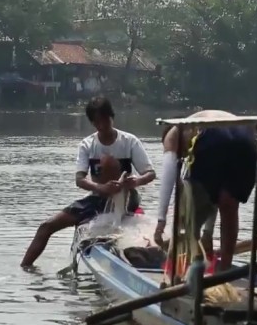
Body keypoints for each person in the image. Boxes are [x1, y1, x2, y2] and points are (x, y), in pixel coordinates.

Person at [20, 97, 156, 268]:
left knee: (109, 163)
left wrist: (136, 181)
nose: (102, 125)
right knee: (46, 226)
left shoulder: (129, 141)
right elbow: (80, 179)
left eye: (105, 120)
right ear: (92, 123)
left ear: (112, 117)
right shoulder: (87, 145)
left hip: (126, 197)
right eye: (97, 122)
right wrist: (101, 187)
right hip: (98, 198)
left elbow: (150, 173)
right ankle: (25, 269)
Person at [153, 110, 256, 272]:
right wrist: (208, 232)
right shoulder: (205, 120)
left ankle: (177, 270)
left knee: (188, 215)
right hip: (248, 141)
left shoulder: (174, 131)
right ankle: (225, 268)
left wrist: (161, 221)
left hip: (214, 138)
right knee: (229, 205)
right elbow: (214, 193)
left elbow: (168, 176)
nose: (184, 156)